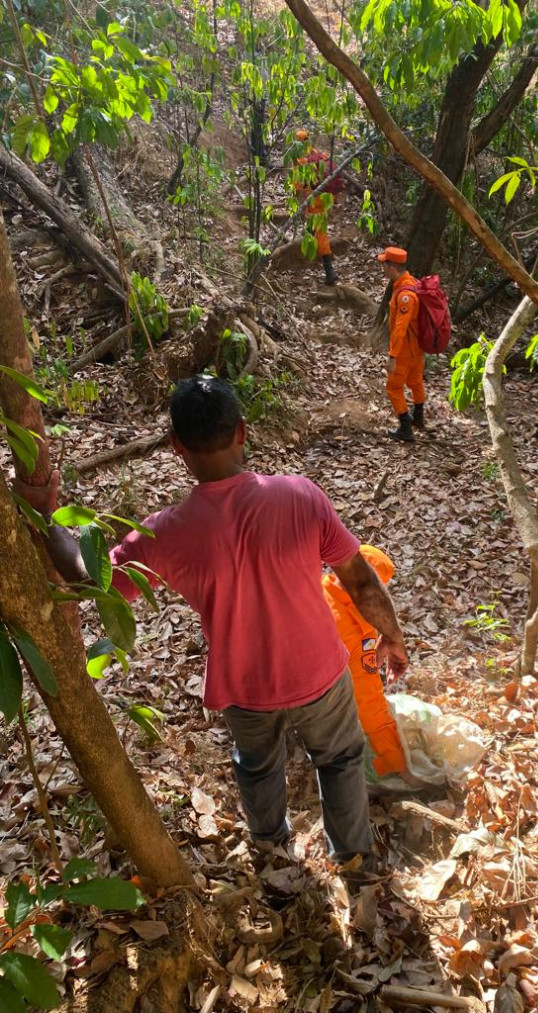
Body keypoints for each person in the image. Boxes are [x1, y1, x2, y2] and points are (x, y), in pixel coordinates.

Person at [18, 375, 409, 867]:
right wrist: (391, 638)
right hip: (320, 674)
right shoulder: (301, 496)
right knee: (340, 760)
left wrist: (47, 516)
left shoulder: (165, 533)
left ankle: (272, 855)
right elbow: (363, 583)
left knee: (258, 769)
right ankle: (354, 860)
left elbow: (89, 580)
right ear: (241, 432)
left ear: (177, 446)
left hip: (244, 685)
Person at [322, 545, 407, 778]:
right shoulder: (355, 630)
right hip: (317, 712)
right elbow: (368, 699)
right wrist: (397, 761)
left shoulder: (322, 591)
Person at [378, 246, 425, 443]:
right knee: (415, 382)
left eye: (384, 265)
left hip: (405, 351)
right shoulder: (411, 283)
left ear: (392, 267)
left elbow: (400, 328)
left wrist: (393, 356)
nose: (383, 268)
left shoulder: (406, 294)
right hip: (417, 349)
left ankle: (406, 427)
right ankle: (419, 418)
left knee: (393, 388)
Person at [294, 129, 343, 286]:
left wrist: (299, 201)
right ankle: (308, 243)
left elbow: (298, 186)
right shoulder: (319, 154)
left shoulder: (300, 160)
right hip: (328, 197)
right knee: (315, 226)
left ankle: (329, 271)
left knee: (321, 233)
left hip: (315, 197)